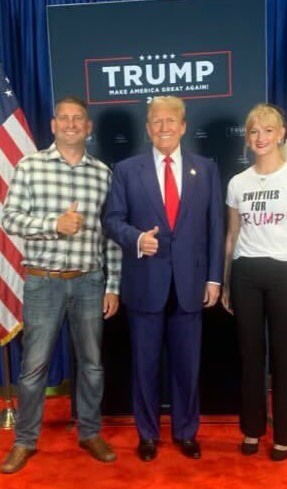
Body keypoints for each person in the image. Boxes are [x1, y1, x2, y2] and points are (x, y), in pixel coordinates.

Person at [0, 96, 121, 473]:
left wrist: (112, 283)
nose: (71, 124)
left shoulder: (102, 173)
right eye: (64, 118)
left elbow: (110, 235)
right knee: (34, 367)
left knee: (92, 365)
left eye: (78, 119)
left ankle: (89, 432)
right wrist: (54, 225)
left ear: (89, 127)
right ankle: (24, 441)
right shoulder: (30, 166)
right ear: (53, 125)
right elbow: (10, 219)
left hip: (89, 281)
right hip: (43, 282)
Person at [103, 96, 224, 461]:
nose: (164, 127)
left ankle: (187, 432)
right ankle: (148, 435)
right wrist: (137, 239)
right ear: (147, 128)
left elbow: (216, 228)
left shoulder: (206, 170)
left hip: (191, 286)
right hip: (145, 285)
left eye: (171, 121)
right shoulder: (126, 170)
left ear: (184, 126)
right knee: (146, 365)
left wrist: (215, 280)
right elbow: (111, 221)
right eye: (157, 121)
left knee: (187, 366)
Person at [221, 103, 287, 461]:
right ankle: (252, 429)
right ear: (247, 139)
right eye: (254, 132)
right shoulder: (237, 183)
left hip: (286, 273)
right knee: (249, 356)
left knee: (284, 357)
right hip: (246, 273)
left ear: (281, 135)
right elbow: (232, 237)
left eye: (267, 131)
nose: (260, 138)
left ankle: (284, 434)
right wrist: (228, 283)